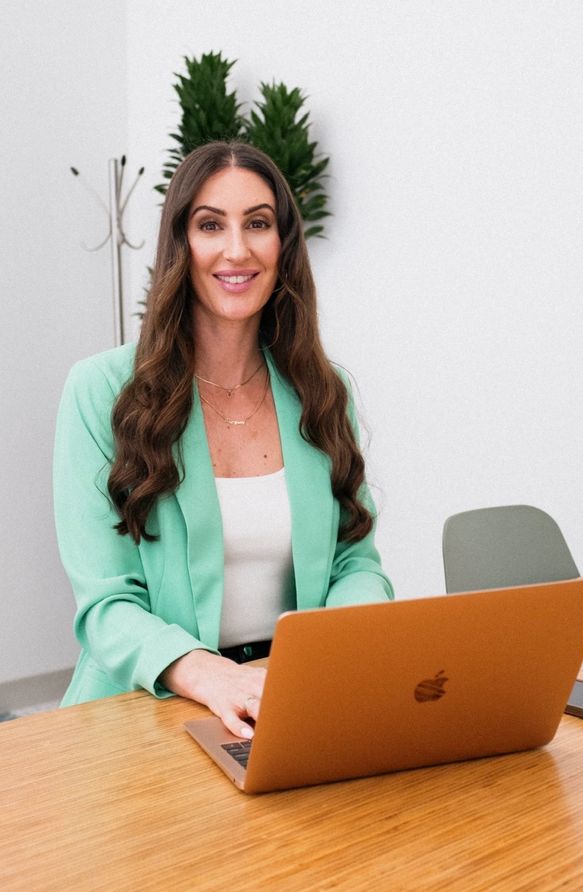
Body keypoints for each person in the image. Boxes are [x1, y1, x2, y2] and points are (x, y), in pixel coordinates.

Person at [54, 140, 393, 738]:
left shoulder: (321, 388)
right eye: (210, 225)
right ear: (180, 245)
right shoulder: (101, 391)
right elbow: (107, 607)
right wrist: (210, 676)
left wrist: (325, 659)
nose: (237, 250)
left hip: (290, 699)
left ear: (282, 245)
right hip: (146, 705)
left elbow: (355, 564)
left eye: (257, 224)